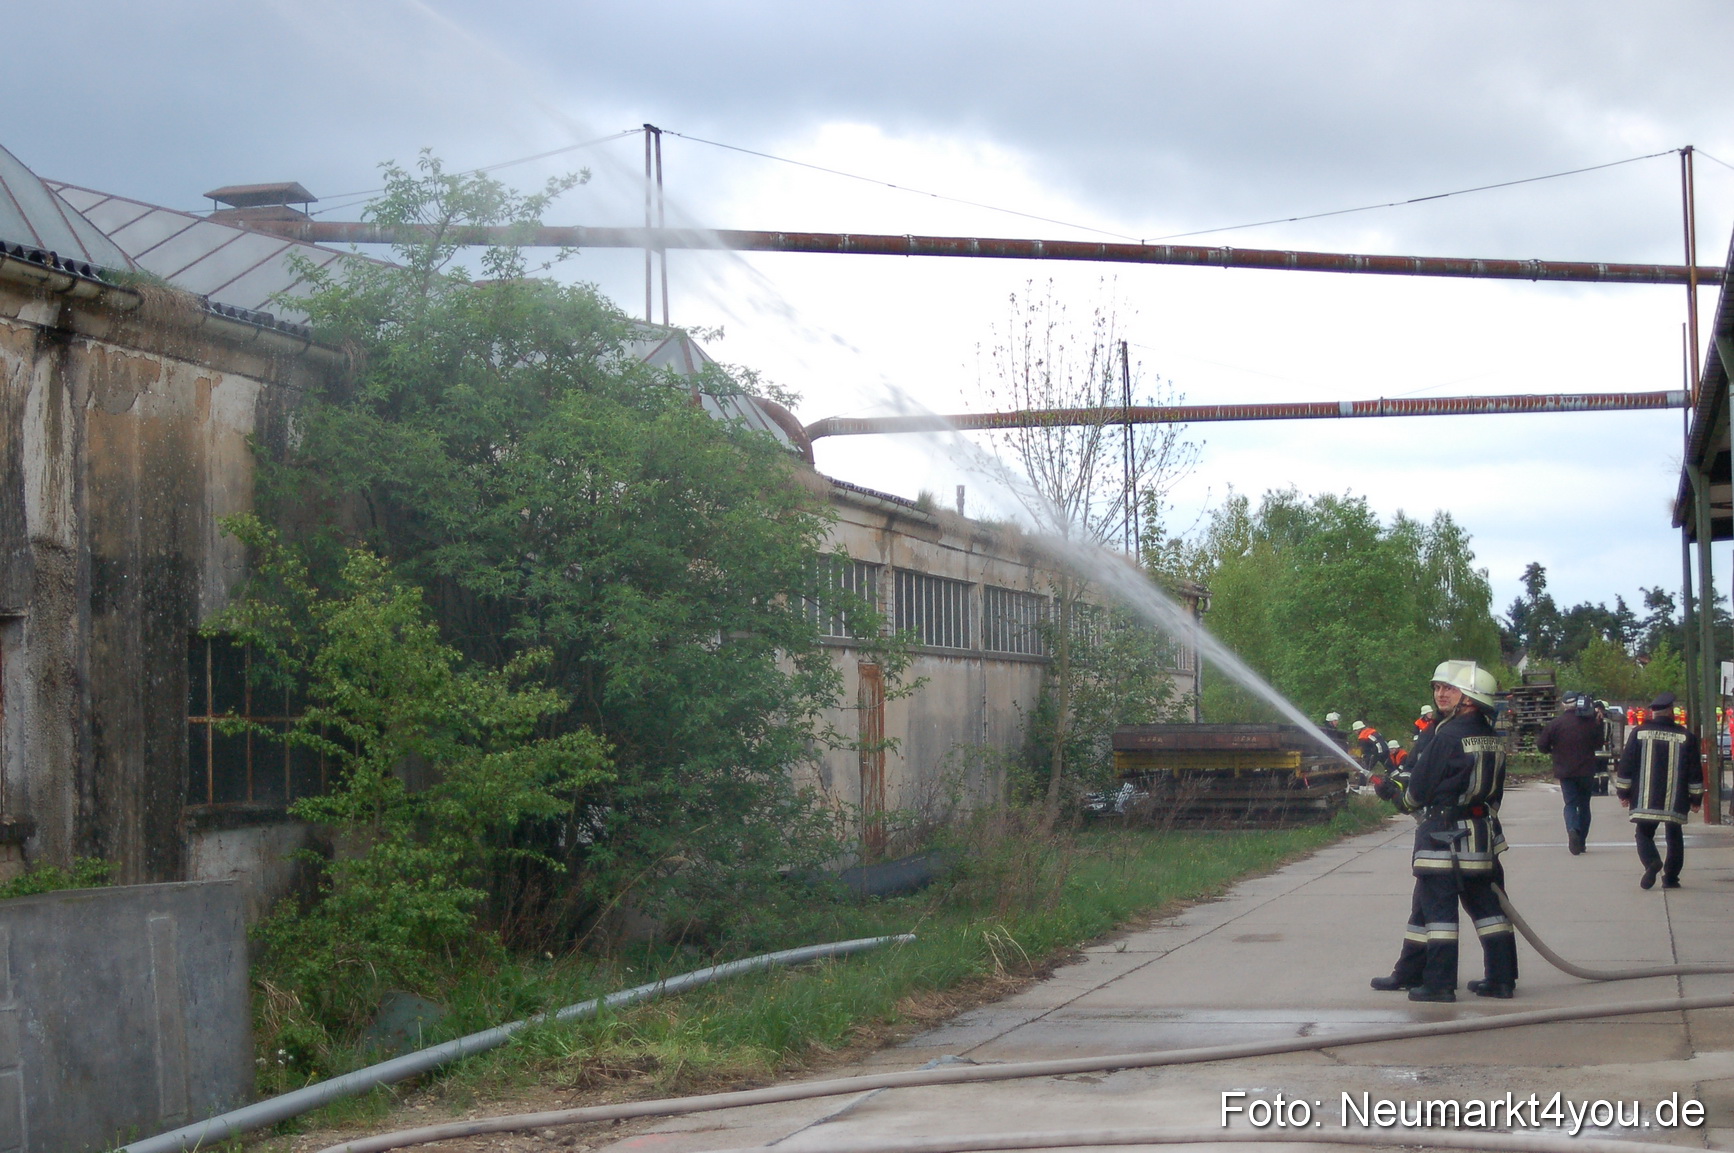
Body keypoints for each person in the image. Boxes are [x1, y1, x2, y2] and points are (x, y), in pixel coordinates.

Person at [1368, 659, 1516, 1002]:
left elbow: (1417, 791)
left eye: (1449, 688)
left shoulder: (1446, 735)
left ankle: (1438, 984)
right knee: (1488, 910)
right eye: (1437, 687)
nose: (1440, 694)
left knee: (1439, 914)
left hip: (1442, 837)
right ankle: (1498, 978)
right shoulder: (1490, 737)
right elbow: (1495, 792)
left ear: (1469, 697)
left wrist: (1395, 793)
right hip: (1480, 837)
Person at [1614, 691, 1703, 890]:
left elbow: (1626, 765)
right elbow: (1694, 771)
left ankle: (1652, 861)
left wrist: (1623, 793)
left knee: (1643, 834)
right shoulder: (1686, 737)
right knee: (1674, 835)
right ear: (1670, 711)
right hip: (1675, 799)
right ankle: (1671, 877)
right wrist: (1696, 798)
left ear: (1653, 713)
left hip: (1646, 799)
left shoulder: (1639, 733)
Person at [1536, 692, 1602, 856]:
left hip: (1565, 771)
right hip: (1586, 770)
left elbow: (1542, 745)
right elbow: (1599, 743)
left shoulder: (1556, 724)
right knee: (1585, 805)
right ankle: (1582, 842)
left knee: (1570, 804)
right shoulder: (1590, 723)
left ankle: (1573, 829)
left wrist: (1554, 750)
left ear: (1564, 705)